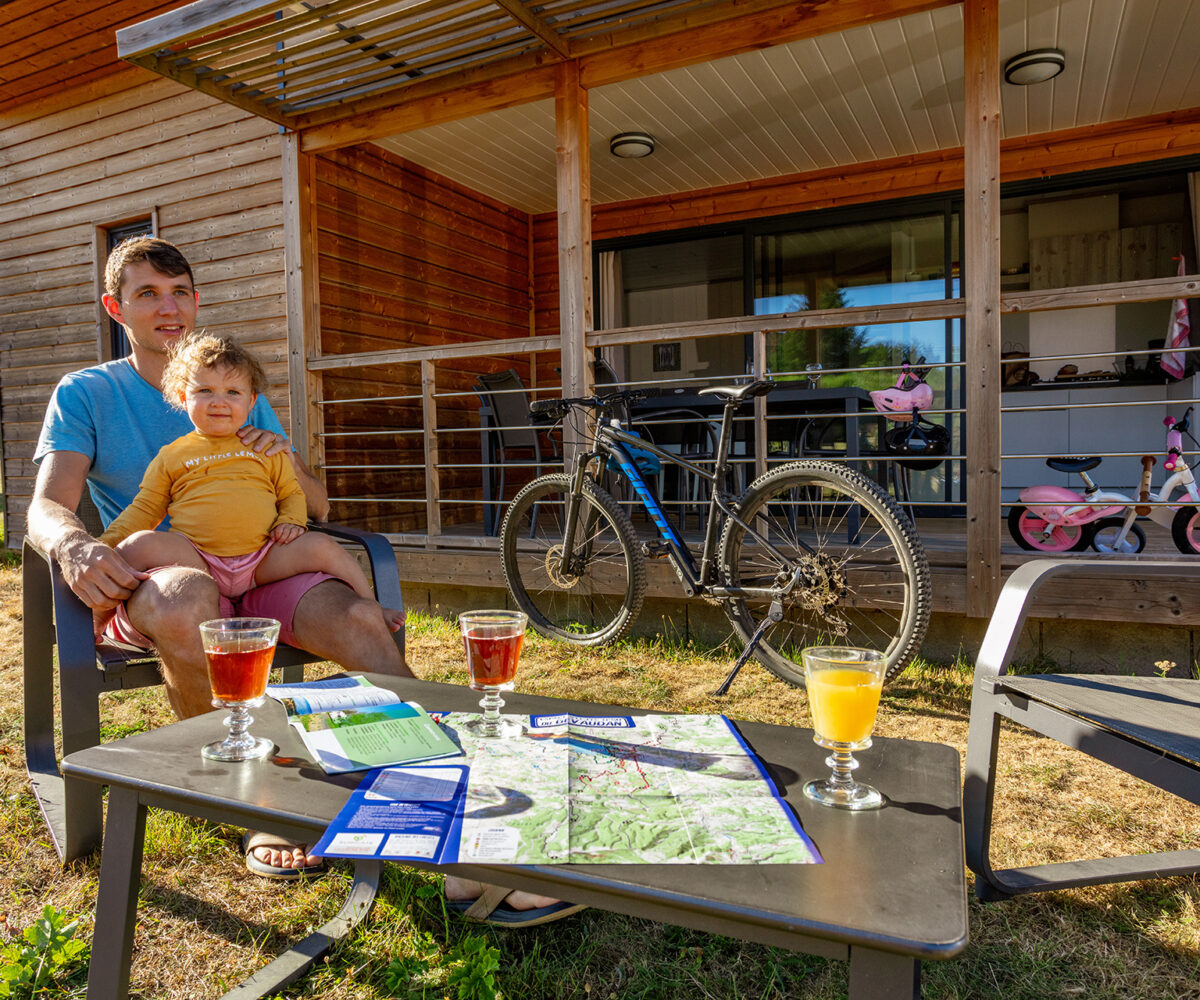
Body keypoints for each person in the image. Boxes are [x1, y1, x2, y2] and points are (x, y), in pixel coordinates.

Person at [28, 237, 410, 879]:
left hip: (260, 563)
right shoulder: (87, 391)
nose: (167, 307)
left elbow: (313, 504)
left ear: (197, 301)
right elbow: (45, 507)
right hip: (170, 571)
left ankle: (420, 775)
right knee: (188, 602)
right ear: (114, 308)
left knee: (359, 619)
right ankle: (252, 797)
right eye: (147, 293)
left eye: (179, 292)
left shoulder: (235, 386)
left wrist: (280, 453)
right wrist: (75, 545)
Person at [97, 331, 405, 636]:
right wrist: (105, 544)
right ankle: (100, 614)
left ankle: (370, 606)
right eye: (205, 390)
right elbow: (145, 509)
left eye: (233, 392)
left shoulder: (265, 448)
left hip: (262, 558)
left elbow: (291, 494)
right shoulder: (172, 456)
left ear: (251, 401)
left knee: (324, 546)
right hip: (197, 559)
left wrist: (291, 520)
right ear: (182, 397)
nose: (219, 402)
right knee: (138, 545)